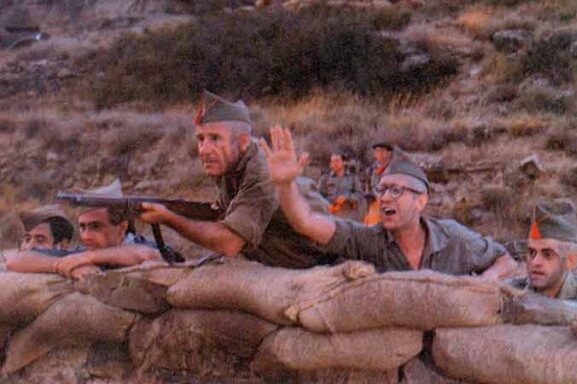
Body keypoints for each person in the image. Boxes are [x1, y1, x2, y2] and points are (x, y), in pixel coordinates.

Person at [259, 125, 517, 279]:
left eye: (395, 190)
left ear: (420, 201)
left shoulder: (454, 237)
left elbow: (505, 259)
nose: (384, 198)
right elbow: (306, 222)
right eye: (381, 190)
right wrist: (286, 185)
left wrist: (488, 279)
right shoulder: (369, 240)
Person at [138, 91, 336, 269]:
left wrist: (169, 218)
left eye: (215, 138)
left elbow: (229, 243)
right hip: (275, 257)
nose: (204, 150)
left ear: (242, 141)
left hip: (315, 261)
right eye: (201, 139)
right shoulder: (230, 163)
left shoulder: (262, 171)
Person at [7, 180, 162, 279]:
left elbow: (146, 254)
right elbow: (16, 260)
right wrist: (59, 265)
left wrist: (87, 258)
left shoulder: (143, 246)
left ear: (122, 228)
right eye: (82, 227)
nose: (86, 236)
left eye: (96, 226)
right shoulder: (80, 256)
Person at [506, 201, 577, 305]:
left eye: (547, 254)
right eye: (531, 252)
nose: (535, 262)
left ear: (570, 261)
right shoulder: (510, 292)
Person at [318, 152, 365, 219]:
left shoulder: (353, 178)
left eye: (337, 161)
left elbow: (360, 194)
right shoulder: (325, 178)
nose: (334, 164)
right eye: (332, 161)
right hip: (330, 214)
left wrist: (347, 197)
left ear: (344, 162)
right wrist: (328, 205)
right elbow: (318, 196)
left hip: (348, 215)